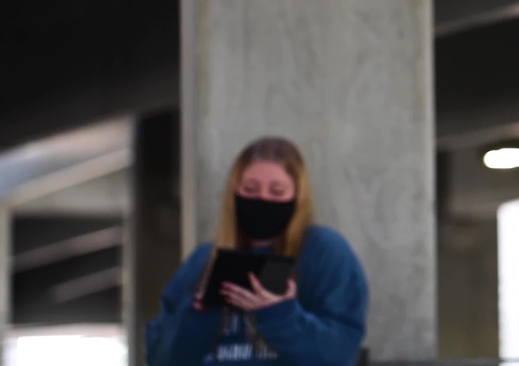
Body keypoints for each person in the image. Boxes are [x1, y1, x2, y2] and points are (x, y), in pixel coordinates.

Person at [145, 136, 369, 365]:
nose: (263, 199)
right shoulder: (203, 260)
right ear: (234, 193)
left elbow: (340, 354)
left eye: (277, 192)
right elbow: (161, 358)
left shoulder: (326, 253)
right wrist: (197, 313)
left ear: (297, 196)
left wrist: (280, 313)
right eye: (250, 190)